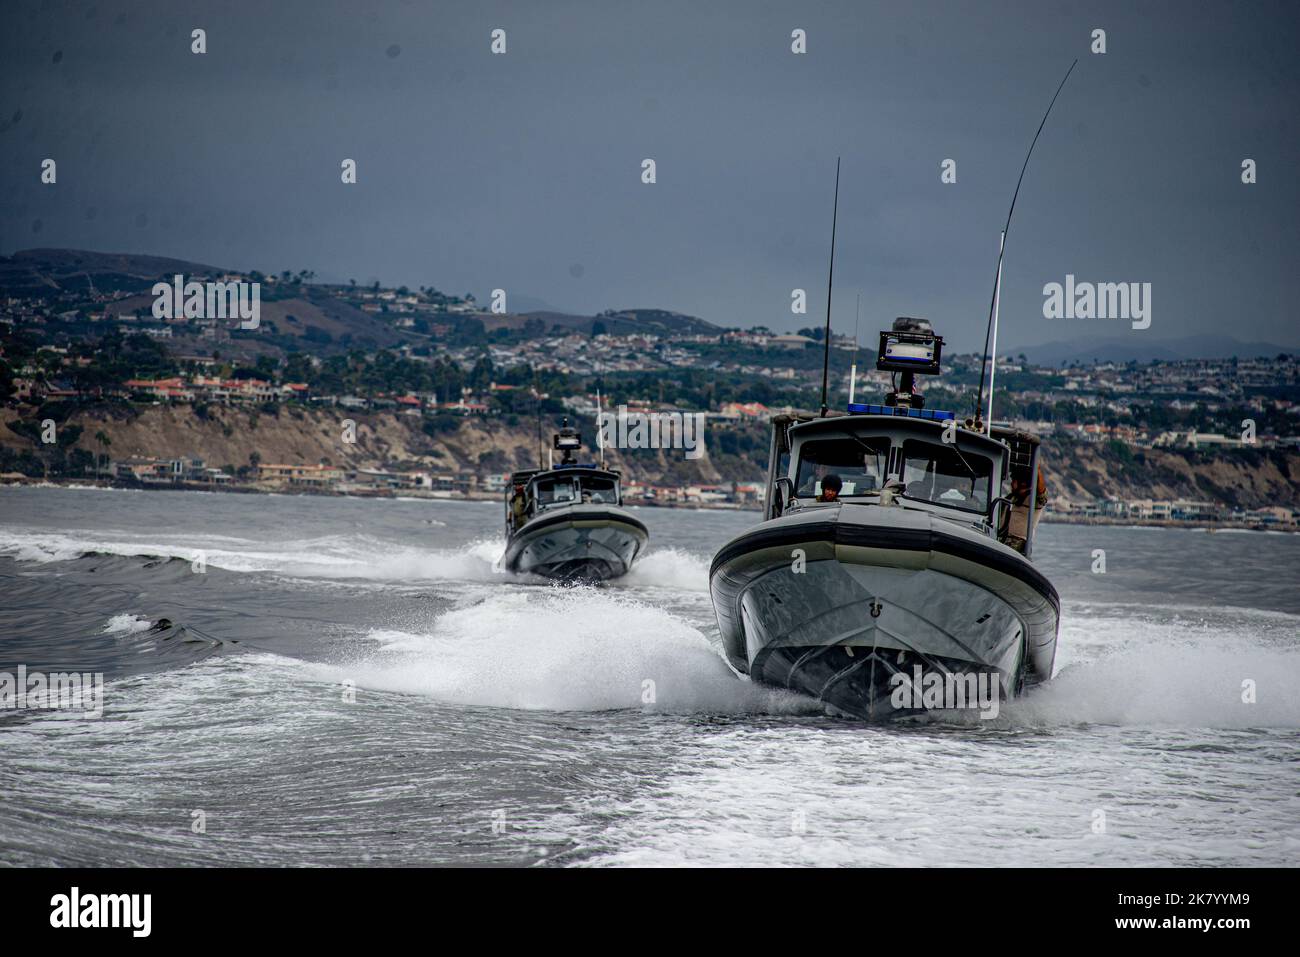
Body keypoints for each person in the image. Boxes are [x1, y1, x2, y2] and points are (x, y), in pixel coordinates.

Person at [999, 466, 1048, 554]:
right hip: (1002, 538)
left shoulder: (1032, 499)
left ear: (1023, 483)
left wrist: (1037, 470)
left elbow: (1042, 493)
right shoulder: (1011, 498)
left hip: (1018, 543)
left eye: (1014, 480)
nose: (1011, 483)